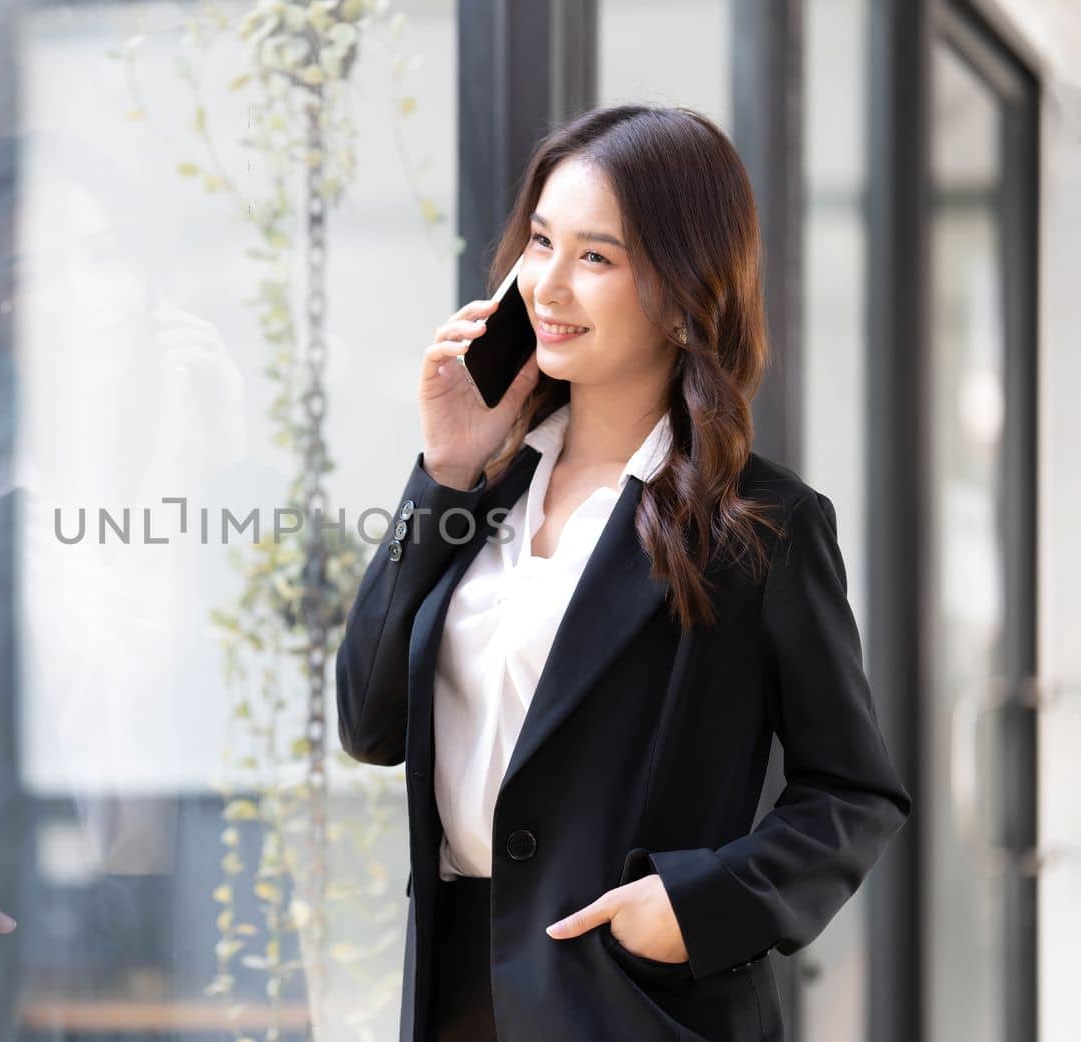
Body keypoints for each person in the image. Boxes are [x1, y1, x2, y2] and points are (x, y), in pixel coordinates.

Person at [334, 104, 910, 1042]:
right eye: (541, 242)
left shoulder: (759, 527)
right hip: (453, 998)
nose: (548, 286)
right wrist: (441, 474)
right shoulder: (480, 491)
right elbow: (367, 719)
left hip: (633, 1005)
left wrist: (698, 908)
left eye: (596, 257)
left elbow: (855, 795)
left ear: (685, 296)